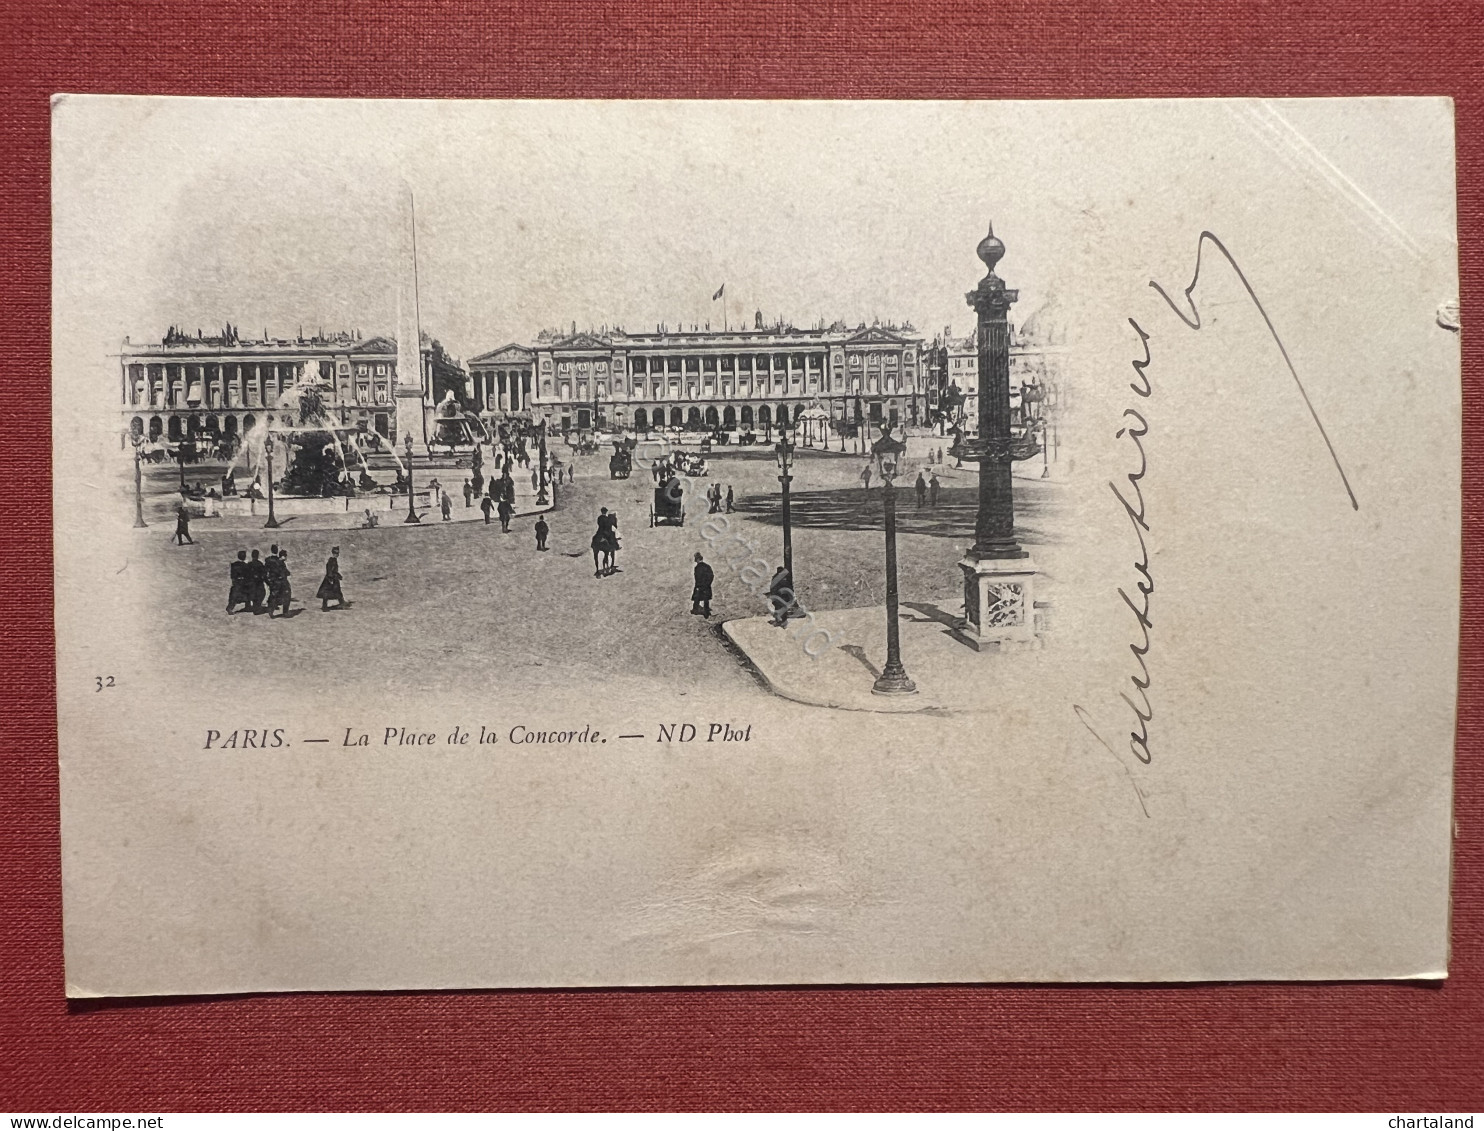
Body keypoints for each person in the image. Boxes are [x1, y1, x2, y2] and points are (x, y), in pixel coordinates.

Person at [317, 546, 346, 611]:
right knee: (327, 593)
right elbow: (329, 570)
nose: (337, 554)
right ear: (333, 553)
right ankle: (325, 607)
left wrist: (338, 575)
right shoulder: (331, 560)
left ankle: (342, 603)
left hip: (333, 578)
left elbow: (334, 570)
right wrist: (331, 578)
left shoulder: (334, 560)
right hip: (331, 579)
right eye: (335, 553)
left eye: (337, 553)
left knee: (336, 592)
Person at [263, 544, 286, 616]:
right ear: (276, 551)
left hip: (271, 579)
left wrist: (267, 580)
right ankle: (271, 610)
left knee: (272, 593)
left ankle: (271, 607)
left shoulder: (267, 559)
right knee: (277, 594)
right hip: (278, 580)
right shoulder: (279, 561)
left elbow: (265, 571)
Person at [691, 552, 714, 618]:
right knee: (706, 599)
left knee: (697, 598)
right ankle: (706, 611)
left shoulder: (697, 568)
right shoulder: (707, 566)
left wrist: (698, 586)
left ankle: (695, 610)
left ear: (697, 559)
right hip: (707, 585)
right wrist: (708, 583)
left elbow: (697, 578)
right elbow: (711, 576)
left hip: (700, 585)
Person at [270, 548, 293, 617]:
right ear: (282, 556)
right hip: (282, 583)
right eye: (285, 556)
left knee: (275, 597)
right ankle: (285, 612)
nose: (286, 557)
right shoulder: (280, 563)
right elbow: (284, 572)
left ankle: (271, 611)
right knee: (287, 596)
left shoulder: (276, 562)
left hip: (276, 583)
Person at [246, 548, 268, 613]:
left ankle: (252, 606)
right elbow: (264, 574)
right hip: (258, 585)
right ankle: (257, 607)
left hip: (250, 585)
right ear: (257, 556)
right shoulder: (260, 564)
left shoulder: (249, 564)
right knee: (261, 594)